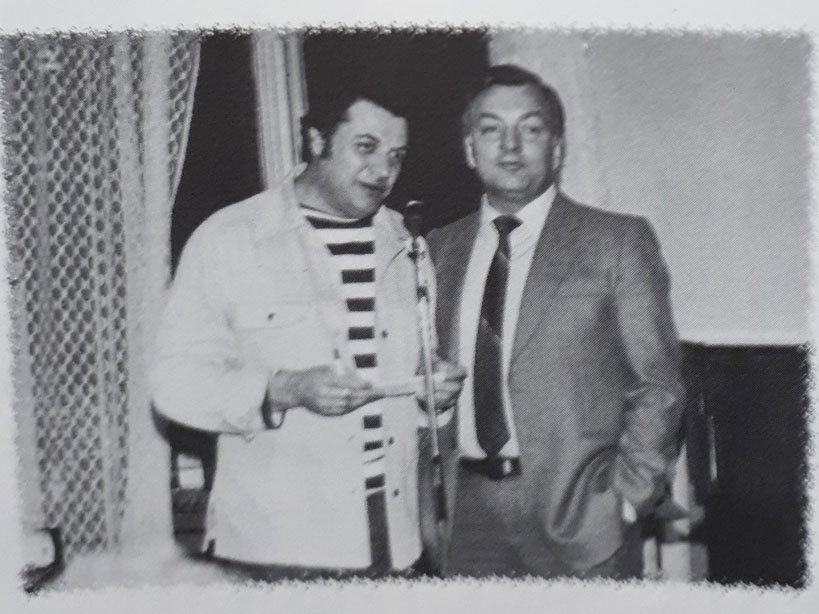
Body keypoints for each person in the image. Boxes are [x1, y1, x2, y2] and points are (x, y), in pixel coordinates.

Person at [151, 85, 464, 581]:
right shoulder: (231, 238)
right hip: (279, 547)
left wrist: (432, 390)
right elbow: (174, 385)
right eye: (366, 147)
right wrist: (285, 389)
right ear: (317, 140)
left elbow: (411, 397)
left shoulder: (407, 244)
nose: (383, 170)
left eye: (396, 155)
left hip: (392, 539)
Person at [426, 64, 685, 579]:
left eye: (530, 128)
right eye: (491, 129)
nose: (510, 145)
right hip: (467, 520)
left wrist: (627, 499)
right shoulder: (439, 249)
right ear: (470, 149)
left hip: (584, 522)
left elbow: (658, 383)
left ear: (558, 148)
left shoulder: (617, 242)